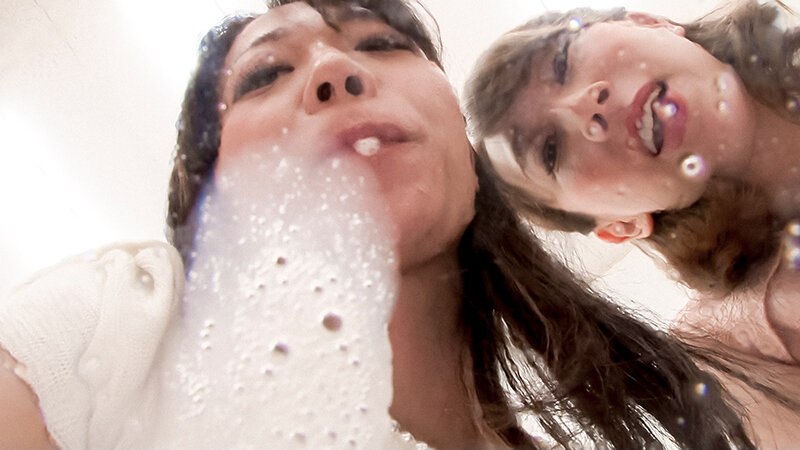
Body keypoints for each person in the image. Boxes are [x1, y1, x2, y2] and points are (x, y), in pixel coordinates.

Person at [0, 0, 755, 448]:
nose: (335, 72)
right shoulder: (118, 326)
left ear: (467, 151)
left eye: (382, 44)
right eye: (265, 75)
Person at [463, 1, 800, 446]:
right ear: (619, 225)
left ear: (650, 22)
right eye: (551, 150)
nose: (584, 107)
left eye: (562, 62)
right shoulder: (728, 350)